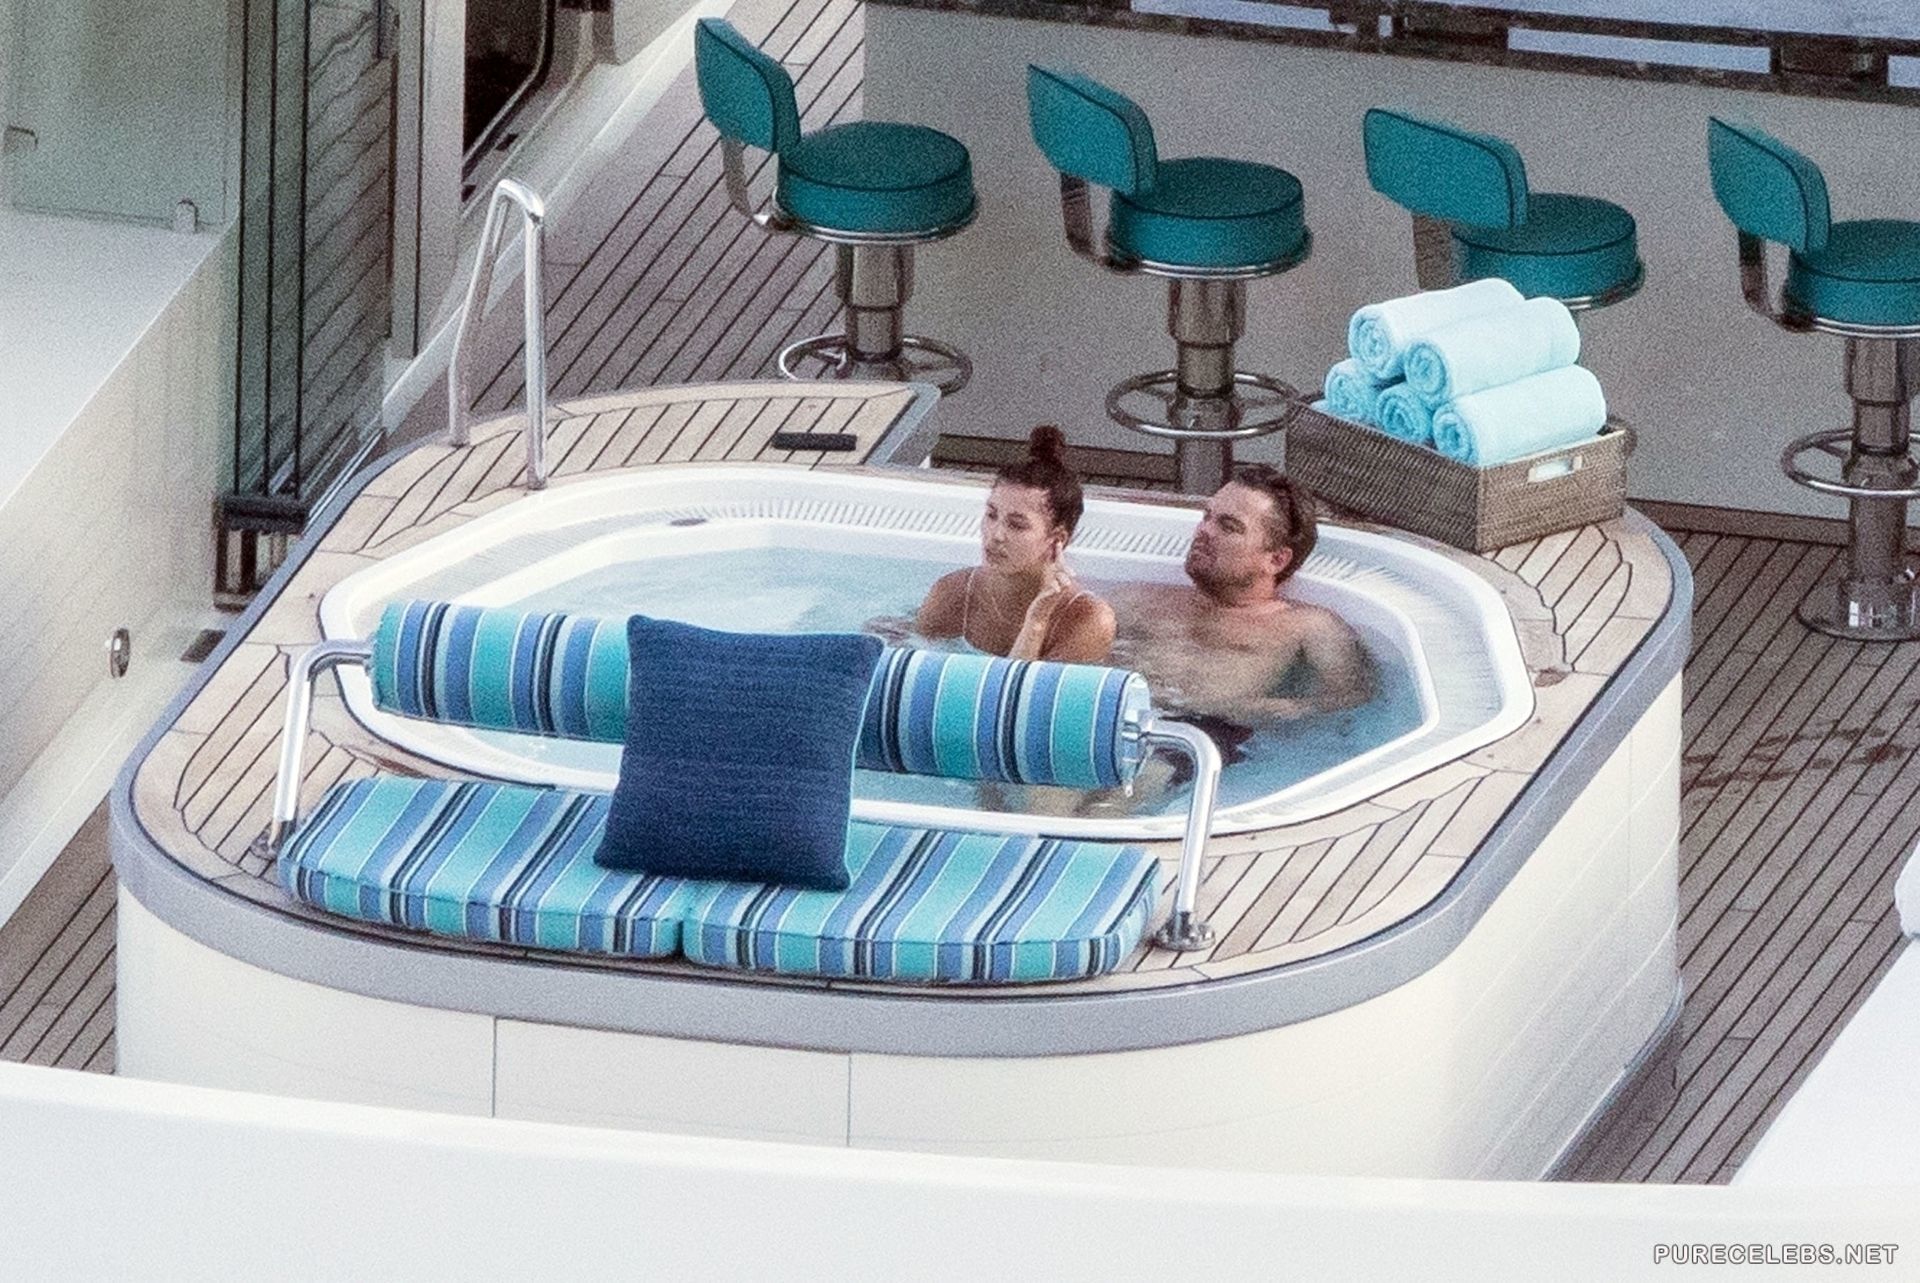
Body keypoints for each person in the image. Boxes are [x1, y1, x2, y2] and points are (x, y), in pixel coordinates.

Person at [1111, 465, 1372, 746]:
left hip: (1209, 736)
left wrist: (1264, 710)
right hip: (1113, 719)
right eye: (1207, 516)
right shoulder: (1143, 599)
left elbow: (1350, 703)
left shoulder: (1307, 626)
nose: (1203, 530)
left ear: (1276, 560)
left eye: (1228, 526)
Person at [912, 425, 1116, 663]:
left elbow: (1019, 687)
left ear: (1058, 539)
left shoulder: (1088, 621)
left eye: (1016, 525)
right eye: (991, 515)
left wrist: (1037, 621)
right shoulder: (953, 593)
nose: (996, 535)